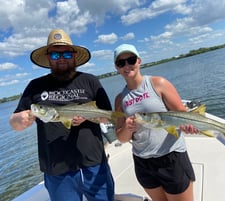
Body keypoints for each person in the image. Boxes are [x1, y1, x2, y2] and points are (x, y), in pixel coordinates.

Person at [9, 29, 114, 201]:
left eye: (66, 53)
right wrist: (19, 120)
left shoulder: (90, 81)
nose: (62, 58)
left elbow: (108, 117)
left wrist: (87, 116)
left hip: (95, 165)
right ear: (49, 58)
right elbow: (15, 122)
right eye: (55, 55)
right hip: (57, 172)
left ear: (73, 55)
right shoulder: (35, 86)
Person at [114, 44, 197, 201]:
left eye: (131, 60)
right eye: (121, 63)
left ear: (139, 61)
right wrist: (127, 128)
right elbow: (122, 138)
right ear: (117, 67)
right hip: (142, 161)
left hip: (170, 156)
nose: (127, 66)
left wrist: (188, 125)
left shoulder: (158, 83)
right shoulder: (120, 99)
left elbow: (181, 114)